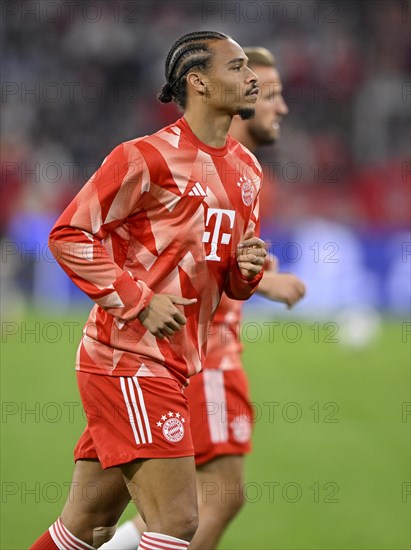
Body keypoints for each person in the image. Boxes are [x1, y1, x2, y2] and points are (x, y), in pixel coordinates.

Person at [30, 31, 267, 550]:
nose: (252, 78)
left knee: (86, 527)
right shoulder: (144, 157)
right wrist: (138, 300)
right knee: (180, 520)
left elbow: (230, 282)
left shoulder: (248, 171)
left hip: (176, 362)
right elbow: (69, 234)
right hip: (127, 360)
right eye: (237, 67)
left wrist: (246, 269)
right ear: (198, 81)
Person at [101, 47, 306, 550]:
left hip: (188, 357)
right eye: (269, 93)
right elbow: (88, 236)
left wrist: (254, 274)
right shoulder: (180, 163)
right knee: (203, 504)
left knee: (99, 516)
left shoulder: (247, 172)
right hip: (188, 357)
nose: (277, 106)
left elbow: (222, 255)